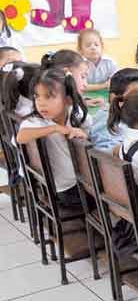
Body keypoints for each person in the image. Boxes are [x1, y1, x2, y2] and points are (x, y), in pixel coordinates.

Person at [15, 69, 88, 207]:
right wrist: (55, 128)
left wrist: (84, 137)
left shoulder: (78, 117)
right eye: (37, 97)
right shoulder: (35, 122)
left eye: (48, 97)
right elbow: (21, 137)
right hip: (65, 190)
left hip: (74, 185)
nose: (41, 103)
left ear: (68, 99)